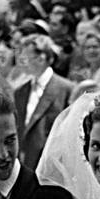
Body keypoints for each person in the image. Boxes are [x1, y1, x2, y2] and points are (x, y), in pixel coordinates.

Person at [13, 35, 73, 171]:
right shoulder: (20, 91)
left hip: (53, 165)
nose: (22, 64)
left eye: (25, 59)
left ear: (41, 58)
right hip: (25, 163)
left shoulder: (66, 88)